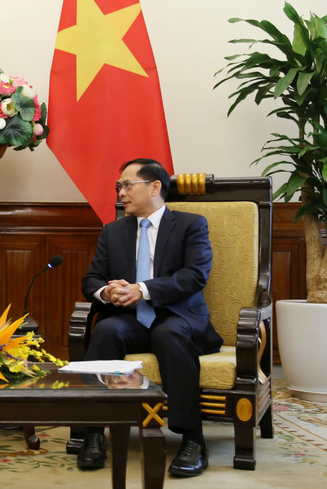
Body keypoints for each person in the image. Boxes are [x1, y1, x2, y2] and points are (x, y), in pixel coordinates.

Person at [77, 158, 222, 478]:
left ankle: (192, 439)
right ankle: (93, 434)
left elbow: (195, 276)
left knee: (169, 335)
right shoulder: (113, 231)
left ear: (155, 187)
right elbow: (92, 280)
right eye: (119, 187)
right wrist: (107, 293)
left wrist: (143, 289)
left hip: (177, 315)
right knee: (106, 330)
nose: (121, 193)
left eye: (128, 185)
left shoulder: (190, 225)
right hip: (130, 319)